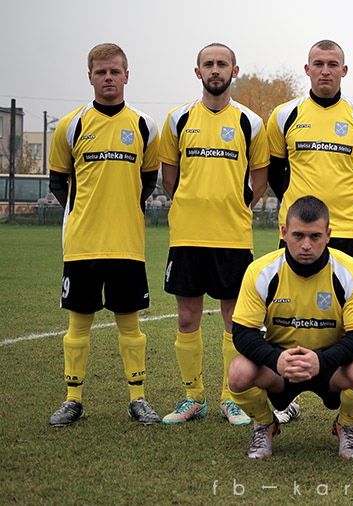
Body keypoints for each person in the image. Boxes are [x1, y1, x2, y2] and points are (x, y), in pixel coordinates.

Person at [267, 40, 353, 426]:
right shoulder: (285, 115)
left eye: (333, 64)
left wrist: (346, 204)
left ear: (344, 71)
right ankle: (286, 397)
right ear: (307, 69)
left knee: (348, 319)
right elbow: (277, 172)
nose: (326, 70)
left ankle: (349, 399)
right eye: (318, 63)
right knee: (289, 315)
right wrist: (298, 214)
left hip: (346, 230)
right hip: (297, 233)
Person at [48, 43, 161, 426]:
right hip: (82, 244)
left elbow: (148, 181)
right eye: (101, 72)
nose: (108, 78)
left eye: (115, 71)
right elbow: (58, 181)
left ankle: (138, 399)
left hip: (127, 244)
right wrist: (85, 212)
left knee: (131, 325)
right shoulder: (71, 125)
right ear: (90, 77)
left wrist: (123, 209)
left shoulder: (144, 125)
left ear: (127, 75)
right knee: (78, 325)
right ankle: (72, 400)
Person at [157, 43, 269, 426]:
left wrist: (234, 207)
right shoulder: (178, 119)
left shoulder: (250, 122)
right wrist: (193, 204)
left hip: (233, 237)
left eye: (222, 64)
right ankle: (193, 398)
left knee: (234, 319)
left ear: (234, 71)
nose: (215, 70)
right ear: (198, 71)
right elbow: (169, 178)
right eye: (209, 64)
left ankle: (229, 399)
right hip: (187, 236)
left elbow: (260, 180)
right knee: (187, 317)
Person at [227, 196, 353, 459]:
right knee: (239, 372)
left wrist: (321, 361)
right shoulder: (261, 271)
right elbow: (242, 333)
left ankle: (346, 425)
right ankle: (264, 424)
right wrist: (275, 359)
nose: (306, 245)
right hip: (280, 365)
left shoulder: (351, 272)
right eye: (298, 235)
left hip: (331, 364)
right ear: (284, 233)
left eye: (315, 236)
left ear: (328, 235)